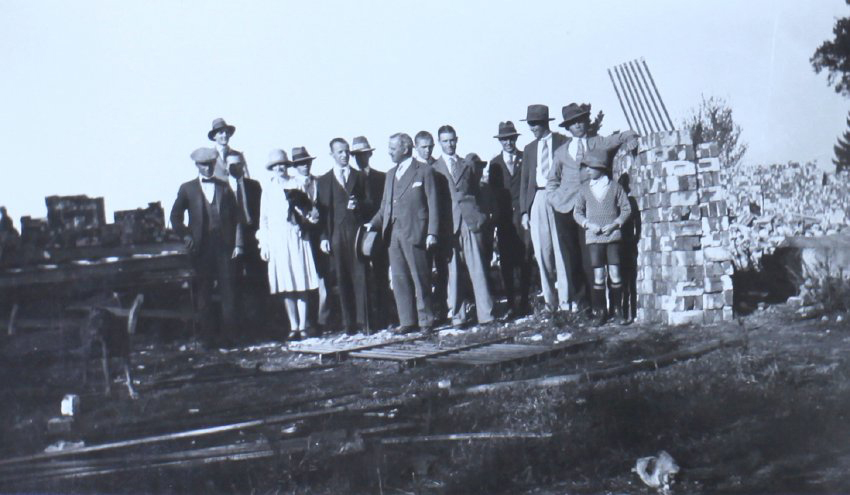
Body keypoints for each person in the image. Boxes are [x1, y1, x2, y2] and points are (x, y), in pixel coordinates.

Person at [547, 103, 639, 314]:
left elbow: (619, 137)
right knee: (571, 256)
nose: (578, 125)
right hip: (565, 207)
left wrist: (630, 137)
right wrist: (553, 198)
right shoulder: (561, 152)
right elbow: (552, 179)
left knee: (591, 256)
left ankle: (599, 306)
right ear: (567, 128)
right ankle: (582, 305)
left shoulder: (597, 142)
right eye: (573, 123)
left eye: (581, 120)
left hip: (590, 209)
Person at [170, 147, 244, 347]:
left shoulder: (223, 186)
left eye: (211, 164)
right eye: (204, 165)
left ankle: (230, 338)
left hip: (225, 247)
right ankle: (208, 339)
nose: (208, 168)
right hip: (201, 249)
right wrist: (186, 236)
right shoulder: (188, 188)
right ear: (197, 166)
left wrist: (238, 243)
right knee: (204, 294)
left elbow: (237, 217)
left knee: (228, 292)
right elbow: (175, 217)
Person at [366, 133, 439, 333]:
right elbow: (384, 207)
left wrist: (432, 232)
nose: (389, 151)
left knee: (420, 277)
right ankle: (407, 321)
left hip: (416, 231)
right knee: (399, 278)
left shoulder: (424, 171)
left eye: (392, 148)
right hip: (393, 235)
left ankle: (426, 321)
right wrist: (372, 224)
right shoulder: (390, 174)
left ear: (405, 149)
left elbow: (433, 204)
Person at [431, 126, 494, 326]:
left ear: (457, 140)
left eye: (452, 140)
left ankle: (487, 314)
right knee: (453, 272)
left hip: (469, 220)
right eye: (445, 141)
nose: (449, 144)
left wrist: (480, 216)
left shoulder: (467, 165)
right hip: (449, 224)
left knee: (478, 268)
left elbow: (477, 191)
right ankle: (458, 316)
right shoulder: (433, 168)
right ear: (439, 143)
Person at [257, 148, 320, 340]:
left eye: (282, 165)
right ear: (272, 169)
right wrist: (265, 244)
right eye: (276, 166)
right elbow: (264, 220)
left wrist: (304, 220)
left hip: (297, 237)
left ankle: (303, 325)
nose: (279, 168)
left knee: (300, 281)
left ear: (287, 166)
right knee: (286, 284)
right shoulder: (268, 190)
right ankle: (293, 326)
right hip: (278, 241)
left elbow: (309, 210)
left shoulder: (297, 184)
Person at [518, 104, 570, 315]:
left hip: (558, 194)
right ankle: (550, 302)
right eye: (530, 124)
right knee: (542, 252)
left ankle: (567, 302)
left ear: (545, 123)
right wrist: (524, 211)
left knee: (561, 249)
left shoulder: (562, 142)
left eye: (537, 124)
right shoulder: (529, 149)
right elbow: (524, 182)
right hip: (538, 198)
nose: (533, 128)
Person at [572, 149, 632, 326]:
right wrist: (588, 225)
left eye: (591, 167)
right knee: (598, 276)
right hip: (594, 238)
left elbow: (627, 209)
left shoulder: (615, 187)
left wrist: (615, 224)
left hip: (612, 237)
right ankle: (600, 312)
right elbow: (577, 212)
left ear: (601, 168)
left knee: (615, 273)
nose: (588, 170)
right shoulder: (584, 189)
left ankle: (618, 311)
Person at [317, 138, 369, 335]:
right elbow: (322, 213)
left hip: (356, 233)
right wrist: (324, 237)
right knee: (342, 277)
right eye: (340, 152)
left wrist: (360, 206)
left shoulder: (359, 176)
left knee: (360, 276)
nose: (344, 155)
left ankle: (363, 321)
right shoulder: (324, 180)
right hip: (336, 235)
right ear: (332, 154)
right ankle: (349, 324)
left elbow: (370, 203)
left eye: (347, 151)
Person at [488, 121, 532, 318]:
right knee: (506, 261)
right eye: (504, 139)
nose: (508, 142)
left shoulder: (525, 158)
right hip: (504, 218)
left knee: (525, 259)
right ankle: (511, 303)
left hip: (522, 216)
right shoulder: (495, 163)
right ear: (500, 141)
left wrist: (526, 211)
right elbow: (492, 192)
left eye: (511, 138)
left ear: (516, 139)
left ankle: (524, 301)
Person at [350, 135, 392, 331]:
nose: (360, 158)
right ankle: (369, 321)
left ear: (369, 154)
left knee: (382, 274)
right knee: (364, 277)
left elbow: (385, 205)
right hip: (359, 234)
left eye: (363, 154)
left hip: (380, 231)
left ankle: (386, 316)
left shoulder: (381, 177)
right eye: (356, 155)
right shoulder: (351, 178)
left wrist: (376, 223)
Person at [226, 154, 267, 336]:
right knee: (235, 283)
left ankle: (262, 326)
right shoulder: (224, 188)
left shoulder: (253, 185)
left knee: (258, 281)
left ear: (243, 165)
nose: (235, 168)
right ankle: (240, 330)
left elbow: (261, 211)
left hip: (253, 236)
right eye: (231, 165)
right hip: (233, 240)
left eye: (238, 164)